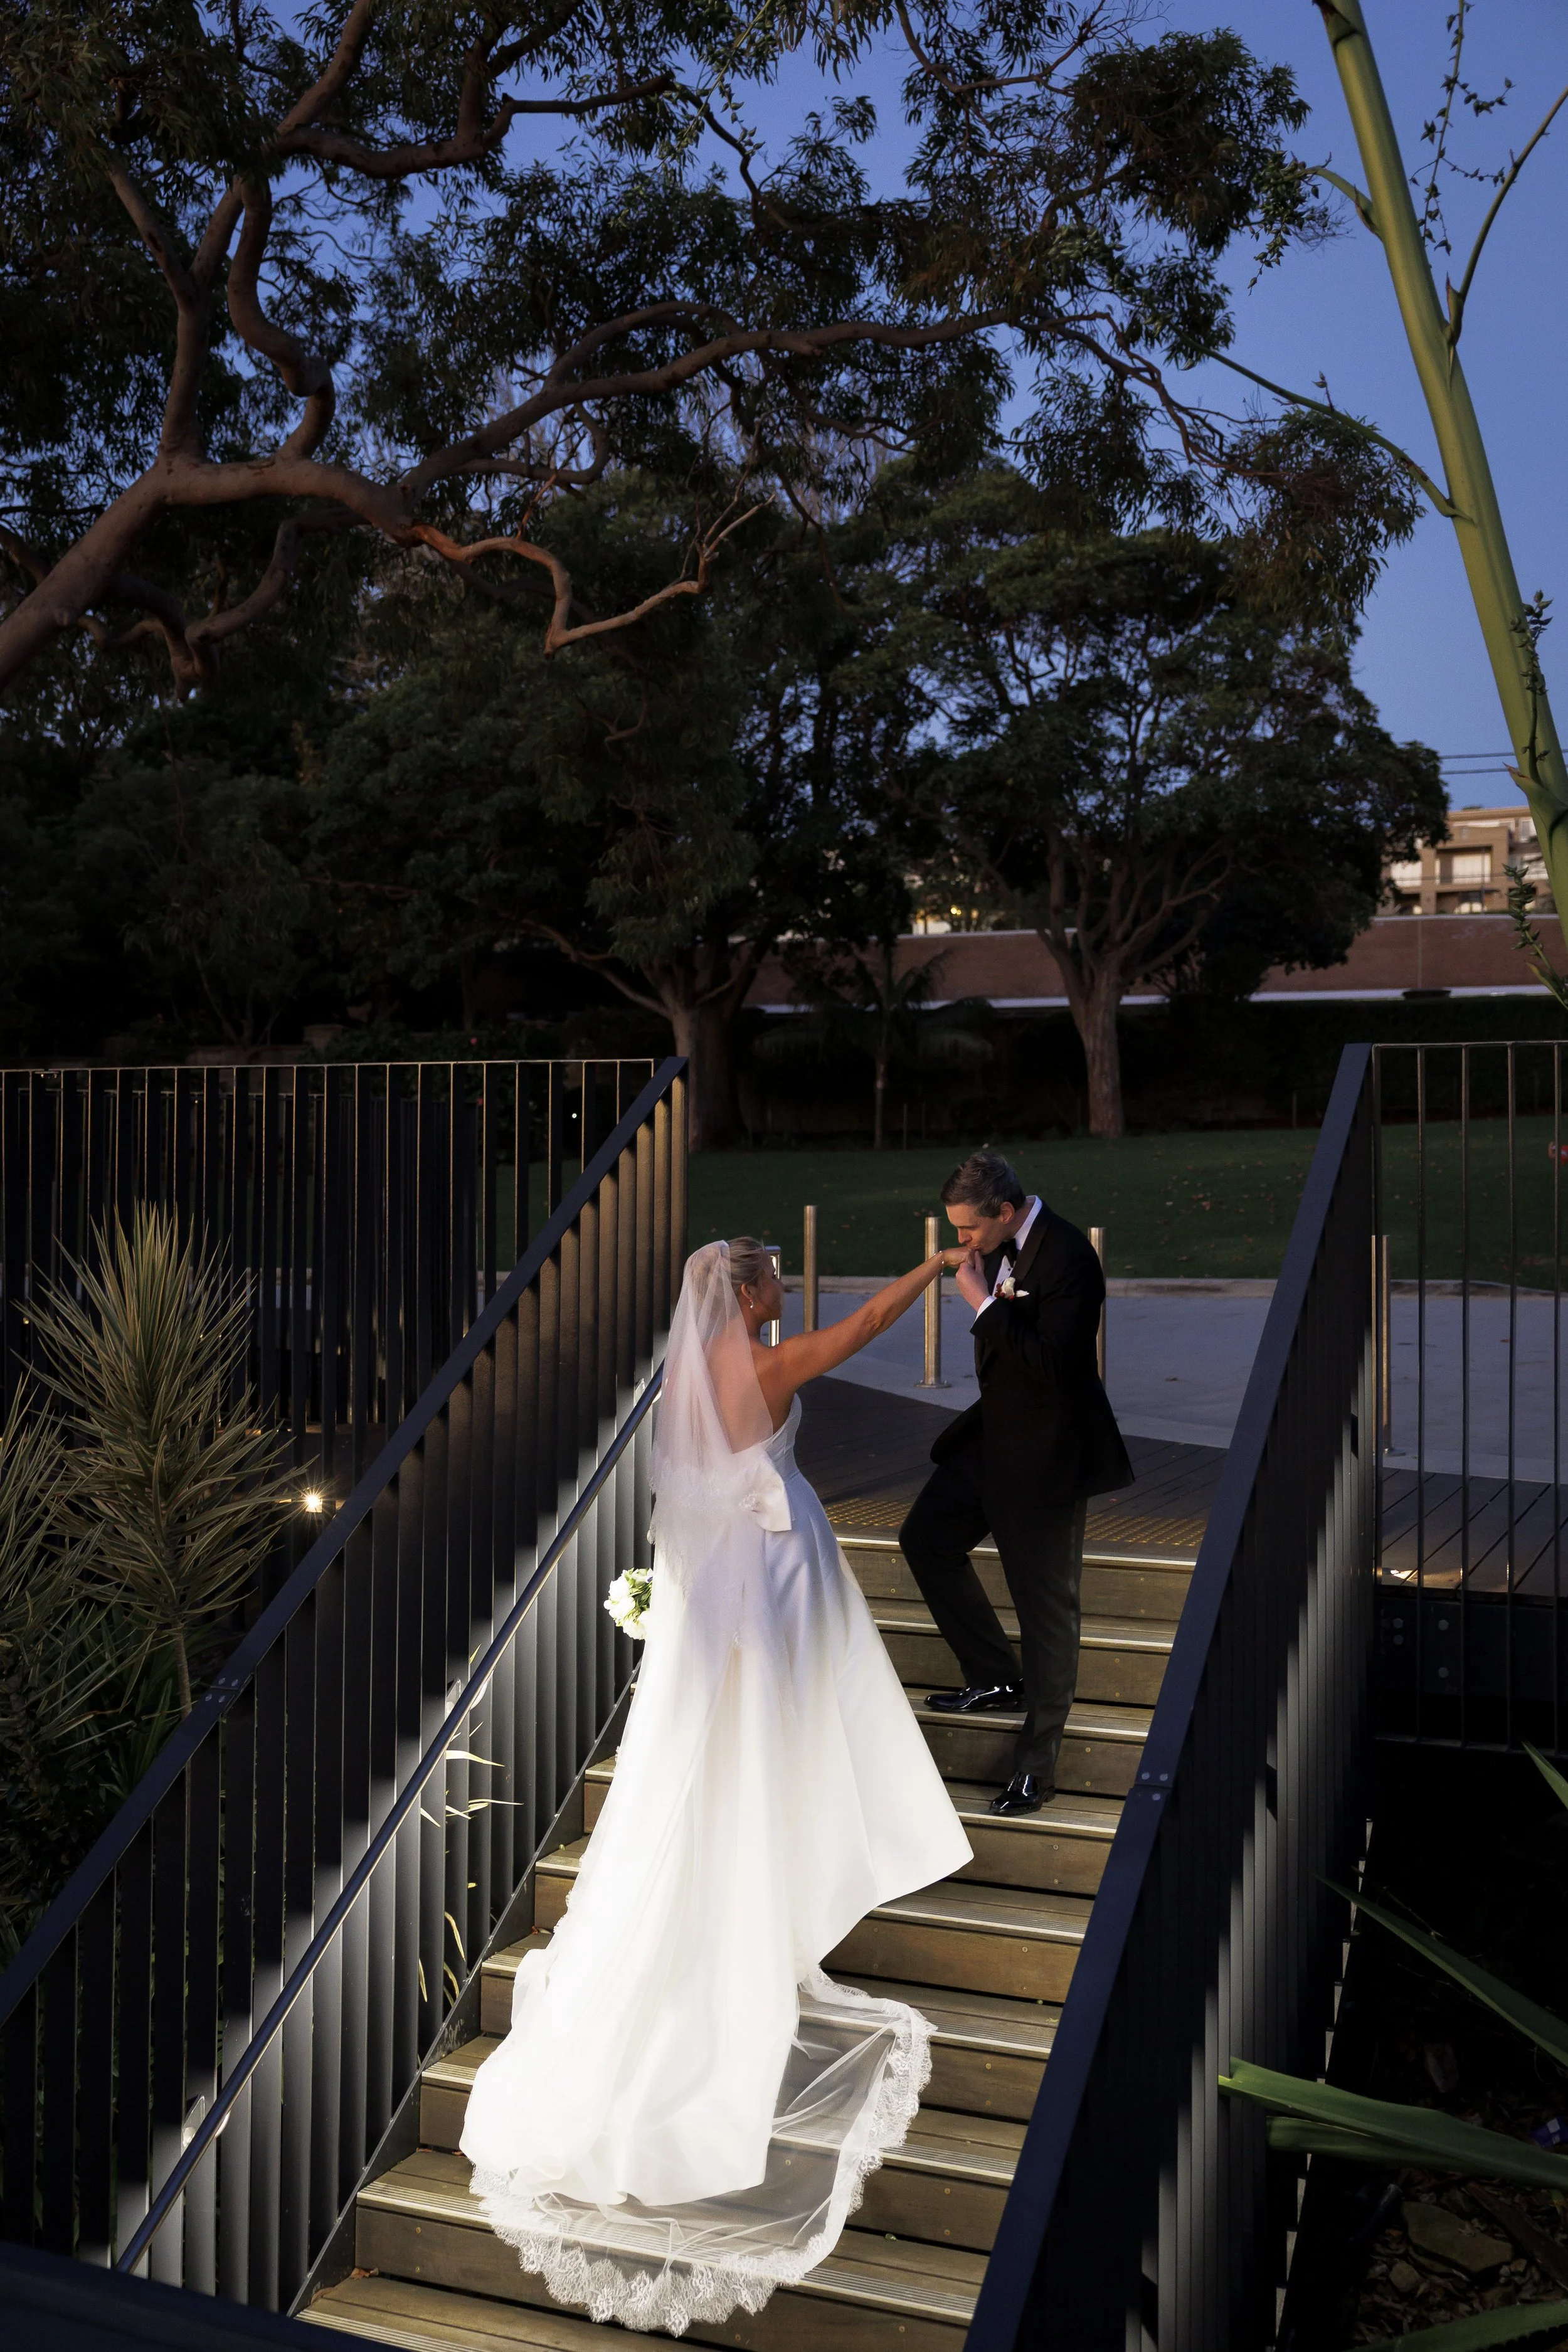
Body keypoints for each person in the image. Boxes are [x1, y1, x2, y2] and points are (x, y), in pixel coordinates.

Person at [461, 1236, 973, 2336]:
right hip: (777, 1572)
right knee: (795, 1719)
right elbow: (865, 1332)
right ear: (747, 1294)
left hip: (721, 1589)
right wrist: (928, 1271)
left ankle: (776, 1850)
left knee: (740, 1735)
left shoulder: (690, 1376)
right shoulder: (763, 1362)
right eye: (776, 1276)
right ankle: (792, 1863)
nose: (787, 1288)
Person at [899, 1149, 1133, 1818]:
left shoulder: (1068, 1259)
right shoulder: (999, 1245)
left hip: (1050, 1452)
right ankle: (996, 1678)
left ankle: (1038, 1768)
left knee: (1046, 1612)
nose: (961, 1242)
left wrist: (978, 1302)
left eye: (968, 1229)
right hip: (990, 1439)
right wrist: (983, 1285)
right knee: (926, 1539)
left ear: (1004, 1211)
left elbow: (1052, 1366)